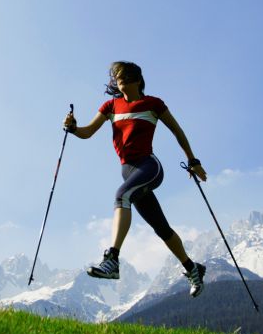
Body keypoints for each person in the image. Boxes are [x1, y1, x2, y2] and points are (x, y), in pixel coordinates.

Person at [63, 61, 208, 297]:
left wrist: (193, 161)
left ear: (138, 79)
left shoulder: (152, 104)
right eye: (116, 76)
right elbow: (87, 132)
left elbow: (177, 131)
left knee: (122, 195)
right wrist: (72, 127)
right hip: (128, 171)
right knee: (161, 228)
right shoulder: (111, 106)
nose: (119, 78)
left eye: (124, 75)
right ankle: (193, 269)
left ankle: (112, 259)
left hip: (149, 166)